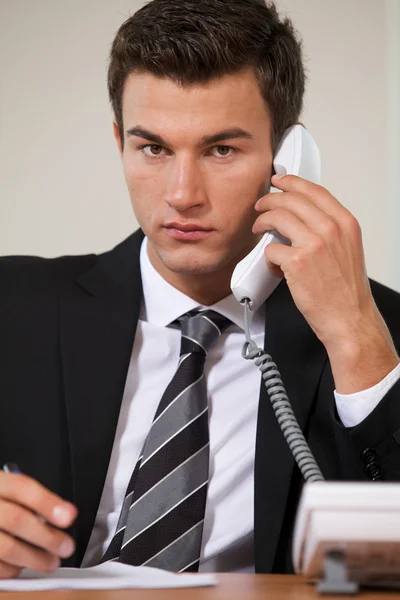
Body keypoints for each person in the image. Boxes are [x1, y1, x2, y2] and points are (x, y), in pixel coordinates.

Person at [0, 0, 399, 579]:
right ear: (120, 143)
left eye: (221, 149)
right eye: (153, 148)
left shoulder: (375, 332)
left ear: (287, 158)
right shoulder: (12, 304)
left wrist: (353, 334)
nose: (182, 194)